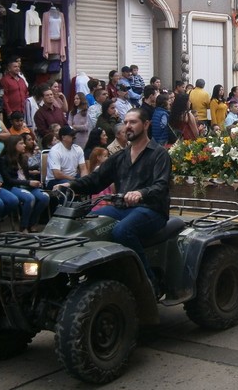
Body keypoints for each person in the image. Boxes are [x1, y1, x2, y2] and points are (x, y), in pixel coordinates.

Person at [59, 108, 171, 285]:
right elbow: (97, 179)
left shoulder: (159, 154)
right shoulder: (120, 156)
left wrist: (140, 193)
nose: (128, 126)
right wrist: (71, 185)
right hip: (122, 208)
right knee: (87, 224)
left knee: (122, 231)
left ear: (146, 124)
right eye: (126, 122)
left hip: (151, 209)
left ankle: (148, 281)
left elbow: (161, 185)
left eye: (133, 122)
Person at [0, 137, 50, 233]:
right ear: (13, 146)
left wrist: (34, 182)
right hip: (12, 187)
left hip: (26, 185)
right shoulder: (3, 160)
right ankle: (23, 226)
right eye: (21, 143)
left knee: (44, 197)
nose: (24, 145)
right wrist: (28, 182)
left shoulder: (23, 158)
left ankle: (33, 222)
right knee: (29, 198)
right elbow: (8, 180)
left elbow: (25, 176)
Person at [0, 58, 29, 125]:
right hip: (12, 112)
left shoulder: (21, 80)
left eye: (18, 66)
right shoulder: (5, 80)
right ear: (9, 68)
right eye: (15, 67)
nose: (17, 68)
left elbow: (26, 93)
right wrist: (8, 111)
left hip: (22, 111)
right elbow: (4, 96)